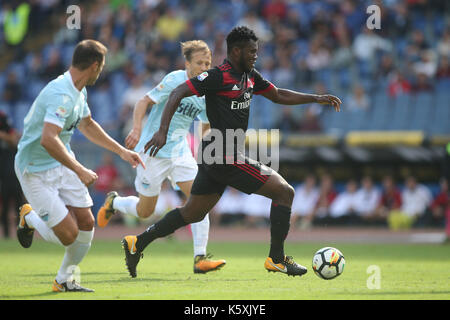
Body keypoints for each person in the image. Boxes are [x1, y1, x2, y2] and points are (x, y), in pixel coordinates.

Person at [121, 26, 341, 278]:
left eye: (256, 52)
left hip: (216, 154)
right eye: (251, 52)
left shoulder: (250, 76)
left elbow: (278, 94)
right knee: (284, 192)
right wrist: (161, 131)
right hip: (224, 154)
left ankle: (137, 243)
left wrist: (315, 98)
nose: (255, 56)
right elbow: (177, 92)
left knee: (192, 212)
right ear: (236, 51)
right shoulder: (217, 77)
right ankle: (277, 259)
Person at [14, 40, 144, 293]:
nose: (102, 72)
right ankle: (29, 217)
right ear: (95, 65)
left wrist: (122, 151)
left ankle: (64, 280)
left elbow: (87, 125)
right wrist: (79, 169)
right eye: (102, 67)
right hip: (34, 169)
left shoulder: (78, 90)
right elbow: (48, 139)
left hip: (61, 161)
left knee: (86, 222)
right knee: (68, 235)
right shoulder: (61, 94)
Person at [96, 40, 226, 274]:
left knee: (201, 200)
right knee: (146, 211)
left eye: (208, 63)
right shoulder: (175, 80)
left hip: (179, 153)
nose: (205, 67)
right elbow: (143, 101)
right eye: (199, 63)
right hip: (152, 152)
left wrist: (202, 148)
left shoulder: (206, 91)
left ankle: (200, 257)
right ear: (187, 63)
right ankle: (114, 202)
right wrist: (136, 129)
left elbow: (207, 122)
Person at [0, 111, 23, 238]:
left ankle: (22, 234)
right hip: (4, 178)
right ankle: (7, 235)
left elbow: (13, 137)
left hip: (15, 178)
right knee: (6, 207)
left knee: (19, 207)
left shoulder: (15, 149)